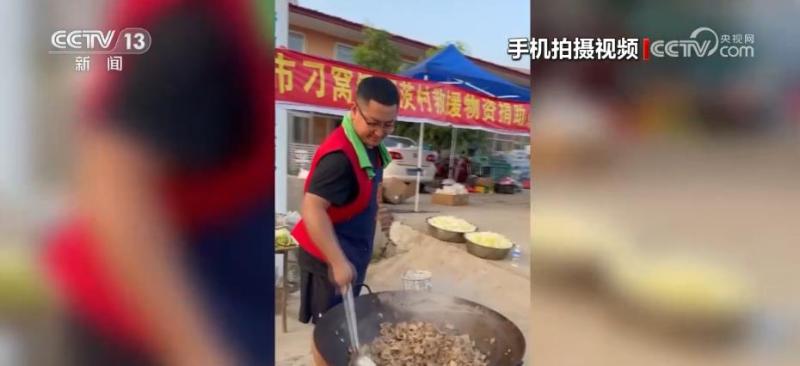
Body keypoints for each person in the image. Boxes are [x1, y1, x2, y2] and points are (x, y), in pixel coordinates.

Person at [43, 1, 274, 365]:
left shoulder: (249, 26)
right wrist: (196, 351)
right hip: (142, 327)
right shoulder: (186, 20)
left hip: (231, 304)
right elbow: (114, 183)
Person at [292, 77, 398, 326]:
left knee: (346, 327)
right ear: (354, 111)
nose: (380, 132)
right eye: (372, 123)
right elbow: (312, 208)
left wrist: (378, 210)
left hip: (352, 252)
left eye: (389, 124)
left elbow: (368, 186)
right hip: (327, 257)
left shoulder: (370, 145)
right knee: (330, 330)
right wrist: (337, 262)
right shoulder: (339, 158)